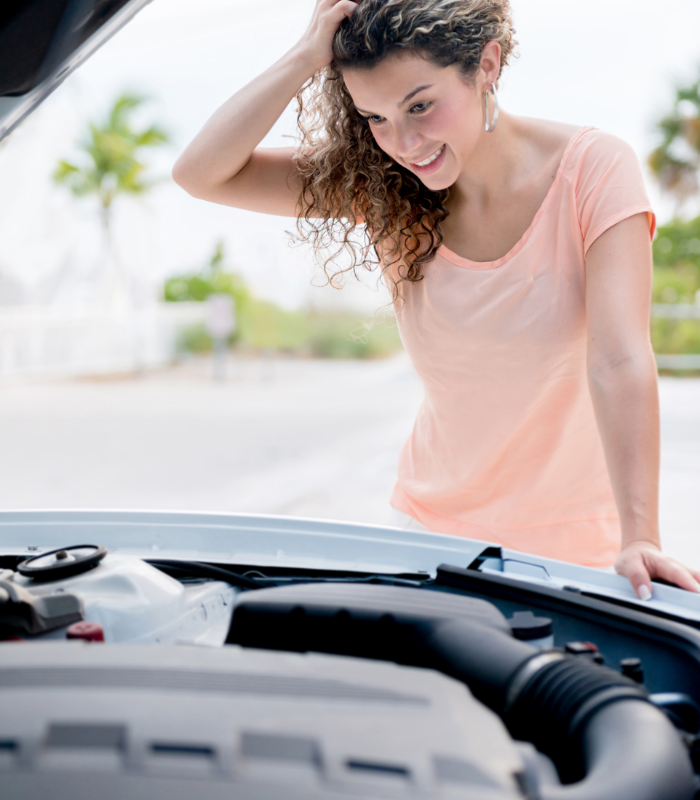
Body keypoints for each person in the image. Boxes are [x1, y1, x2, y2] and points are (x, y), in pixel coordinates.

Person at [173, 0, 700, 600]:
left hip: (583, 555)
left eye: (420, 105)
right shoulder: (381, 190)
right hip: (427, 541)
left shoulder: (593, 170)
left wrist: (642, 537)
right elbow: (201, 173)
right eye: (374, 116)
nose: (403, 142)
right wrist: (304, 56)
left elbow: (620, 359)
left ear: (487, 65)